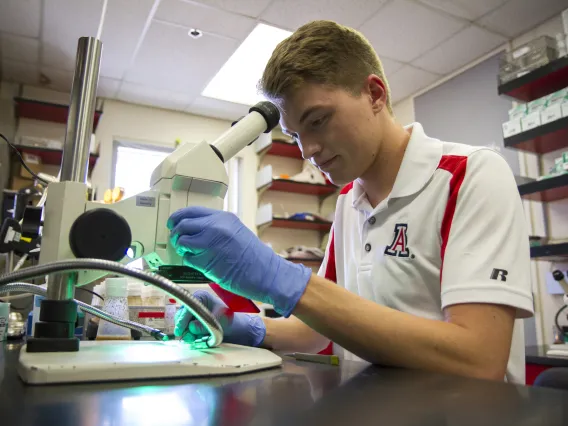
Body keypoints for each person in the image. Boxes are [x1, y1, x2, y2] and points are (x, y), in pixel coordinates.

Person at [170, 20, 533, 384]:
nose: (308, 151)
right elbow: (317, 330)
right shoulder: (348, 201)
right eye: (295, 135)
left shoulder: (471, 175)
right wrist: (239, 325)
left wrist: (282, 280)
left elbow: (479, 359)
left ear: (375, 95)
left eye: (318, 120)